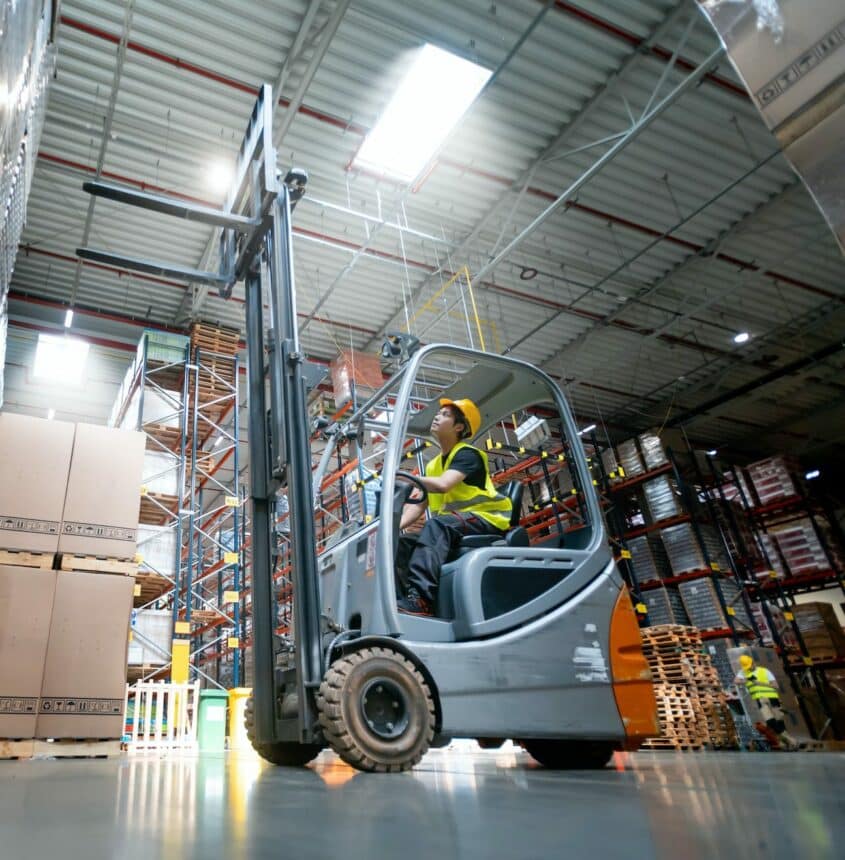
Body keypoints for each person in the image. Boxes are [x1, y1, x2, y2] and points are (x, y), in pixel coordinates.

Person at [395, 397, 512, 617]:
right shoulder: (433, 464)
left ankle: (420, 599)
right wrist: (393, 527)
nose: (437, 416)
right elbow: (420, 506)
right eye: (439, 413)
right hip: (455, 524)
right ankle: (400, 602)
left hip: (486, 519)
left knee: (436, 525)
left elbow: (444, 484)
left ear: (459, 426)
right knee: (402, 542)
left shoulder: (468, 454)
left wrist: (406, 479)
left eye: (446, 414)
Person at [735, 654, 799, 750]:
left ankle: (785, 743)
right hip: (760, 699)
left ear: (752, 662)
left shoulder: (764, 671)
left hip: (773, 699)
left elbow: (776, 686)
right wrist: (747, 679)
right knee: (770, 722)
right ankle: (789, 740)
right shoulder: (744, 672)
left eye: (749, 666)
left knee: (779, 721)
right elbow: (736, 681)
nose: (748, 668)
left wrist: (760, 683)